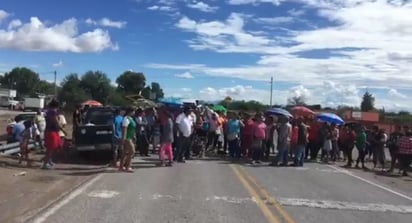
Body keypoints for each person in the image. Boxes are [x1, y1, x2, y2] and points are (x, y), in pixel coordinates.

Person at [42, 99, 62, 170]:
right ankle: (45, 163)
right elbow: (55, 120)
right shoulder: (53, 112)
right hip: (51, 131)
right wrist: (61, 128)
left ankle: (49, 160)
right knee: (51, 148)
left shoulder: (48, 111)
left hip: (51, 130)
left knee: (55, 146)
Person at [119, 107, 137, 172]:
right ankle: (127, 166)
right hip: (127, 138)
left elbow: (133, 128)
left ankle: (121, 166)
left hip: (130, 137)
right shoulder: (126, 119)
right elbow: (124, 129)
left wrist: (134, 136)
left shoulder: (131, 118)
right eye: (133, 111)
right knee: (132, 151)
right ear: (130, 112)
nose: (134, 113)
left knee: (124, 152)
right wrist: (123, 139)